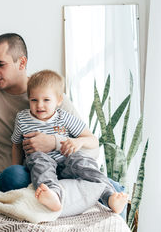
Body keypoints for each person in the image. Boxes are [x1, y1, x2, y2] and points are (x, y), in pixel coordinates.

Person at [0, 33, 125, 216]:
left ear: (22, 63)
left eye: (1, 64)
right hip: (20, 174)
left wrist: (54, 142)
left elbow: (90, 147)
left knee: (89, 170)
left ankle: (107, 193)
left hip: (62, 168)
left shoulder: (49, 94)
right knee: (14, 175)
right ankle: (56, 195)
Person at [11, 69, 128, 213]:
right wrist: (14, 167)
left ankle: (109, 197)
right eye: (34, 100)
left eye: (46, 100)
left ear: (59, 100)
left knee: (82, 161)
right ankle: (53, 195)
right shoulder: (22, 118)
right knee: (38, 159)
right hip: (41, 163)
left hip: (66, 161)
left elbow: (93, 140)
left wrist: (79, 142)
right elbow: (16, 145)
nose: (40, 105)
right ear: (28, 99)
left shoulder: (64, 117)